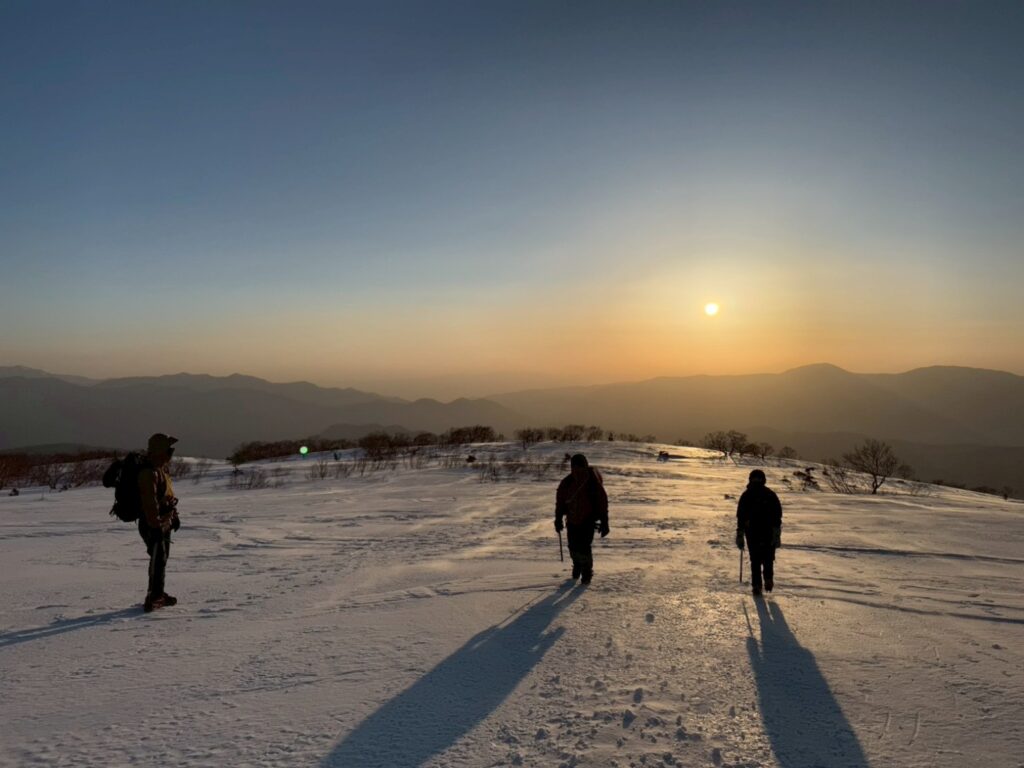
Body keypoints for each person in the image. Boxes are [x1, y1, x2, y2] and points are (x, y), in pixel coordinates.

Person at [138, 433, 180, 612]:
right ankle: (154, 596)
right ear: (160, 451)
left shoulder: (160, 469)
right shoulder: (149, 472)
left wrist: (174, 516)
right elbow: (150, 502)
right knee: (158, 558)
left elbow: (166, 496)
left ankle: (157, 593)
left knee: (160, 559)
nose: (171, 453)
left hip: (163, 521)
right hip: (153, 523)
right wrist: (155, 526)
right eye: (168, 450)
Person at [554, 453, 609, 585]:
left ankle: (586, 572)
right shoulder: (566, 483)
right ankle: (577, 565)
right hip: (572, 519)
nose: (577, 469)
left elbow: (602, 502)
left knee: (584, 547)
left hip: (587, 519)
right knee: (573, 546)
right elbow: (560, 502)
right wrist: (558, 519)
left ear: (585, 466)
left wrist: (604, 521)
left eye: (580, 466)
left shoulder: (592, 483)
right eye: (575, 466)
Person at [736, 469, 782, 596]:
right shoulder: (770, 494)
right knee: (768, 557)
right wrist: (777, 532)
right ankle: (768, 579)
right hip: (768, 531)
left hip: (752, 532)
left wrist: (740, 533)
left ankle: (756, 585)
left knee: (755, 559)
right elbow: (777, 515)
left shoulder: (746, 495)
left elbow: (741, 516)